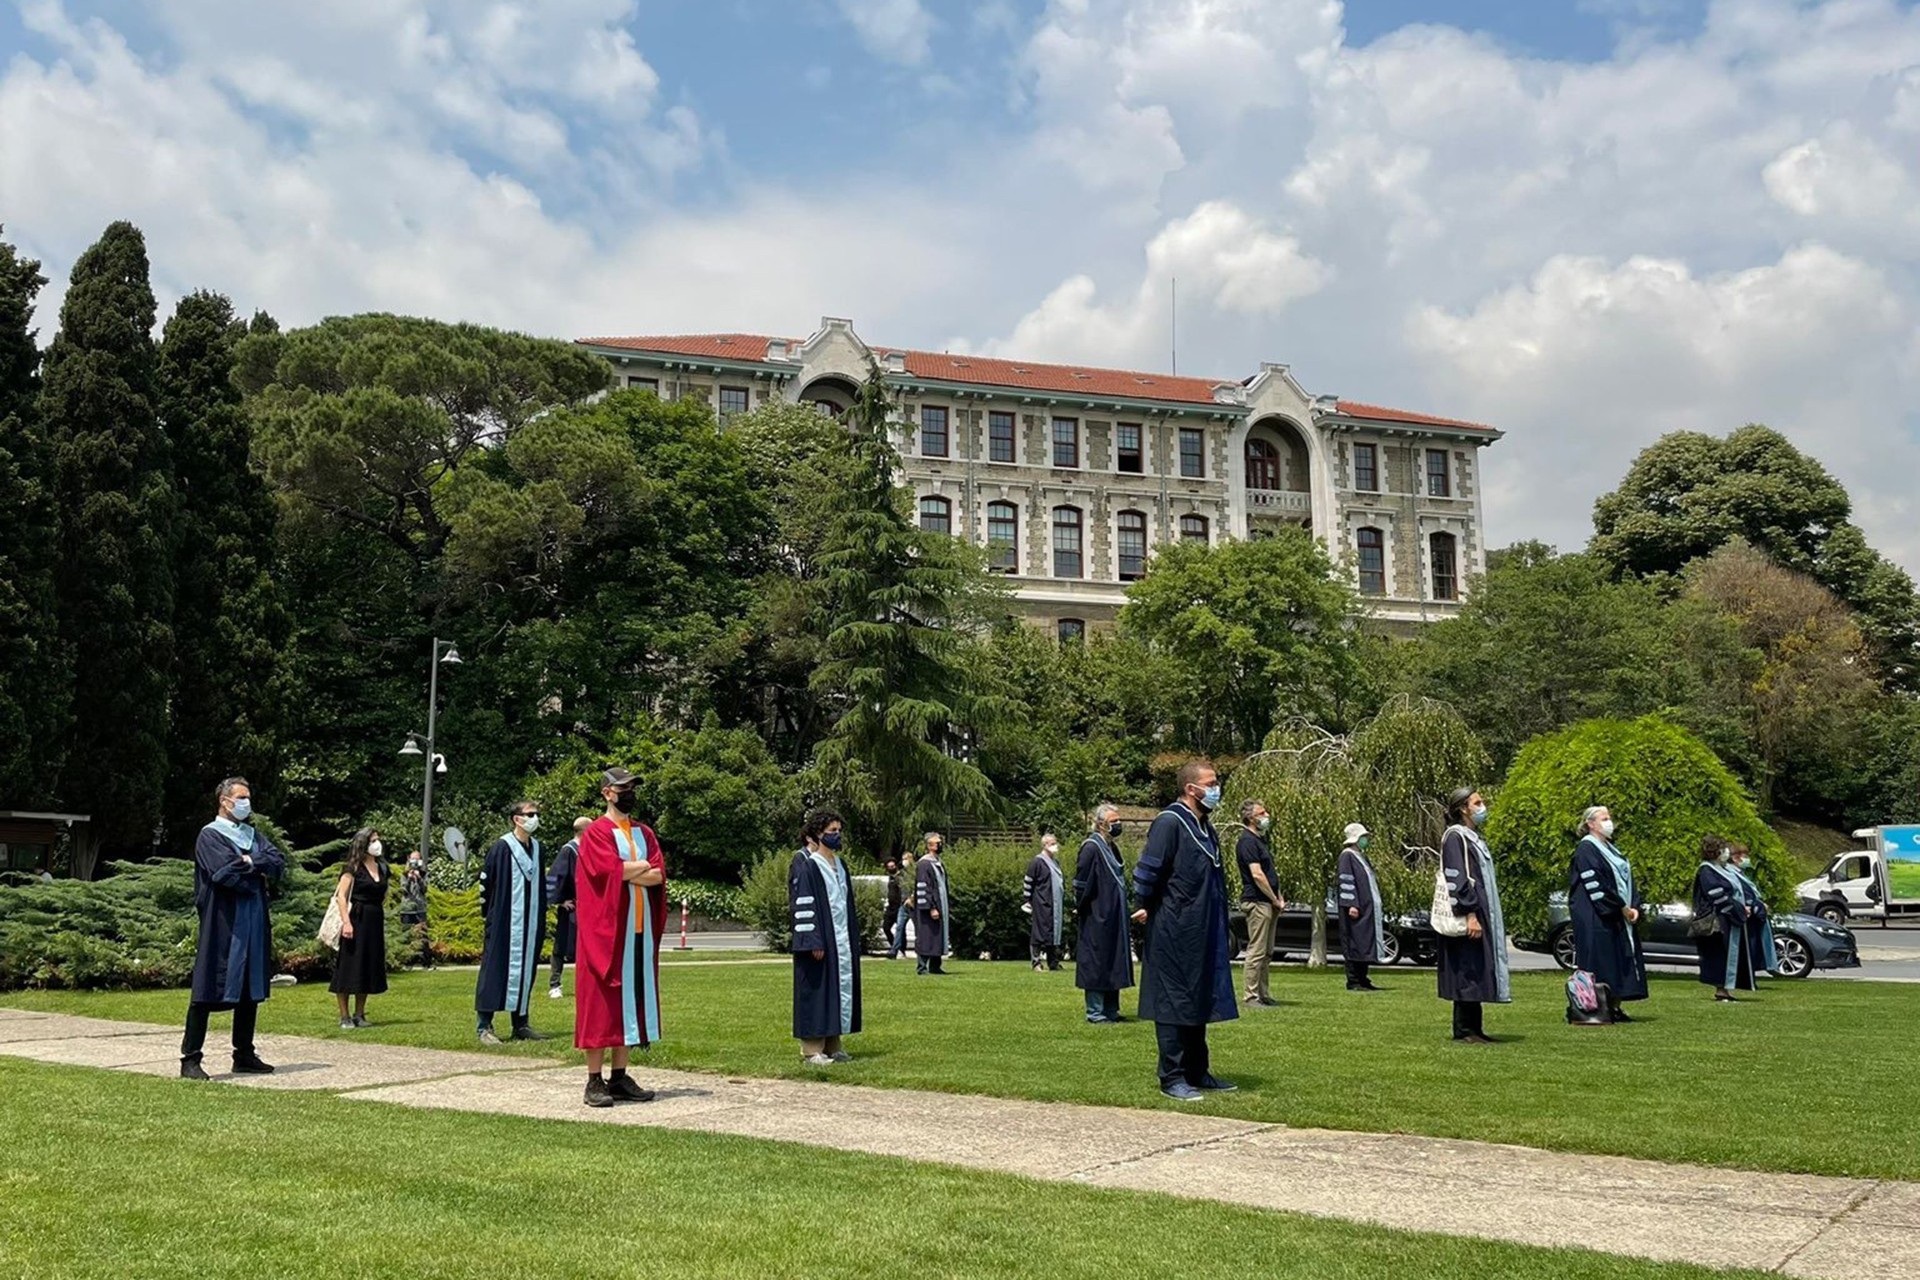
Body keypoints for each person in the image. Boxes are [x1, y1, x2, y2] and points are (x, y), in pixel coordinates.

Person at [1135, 760, 1238, 1101]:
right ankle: (1172, 1077)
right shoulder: (1170, 822)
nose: (1215, 787)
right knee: (1172, 1002)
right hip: (1173, 927)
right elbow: (1150, 869)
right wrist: (1143, 903)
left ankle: (1198, 1071)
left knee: (1198, 999)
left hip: (1201, 928)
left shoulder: (1205, 826)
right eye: (1211, 782)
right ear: (1191, 788)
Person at [180, 777, 286, 1080]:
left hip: (253, 918)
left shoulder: (252, 834)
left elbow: (278, 863)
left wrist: (249, 860)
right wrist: (256, 868)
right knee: (208, 984)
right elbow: (223, 873)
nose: (245, 803)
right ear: (224, 801)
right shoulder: (209, 836)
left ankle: (244, 1054)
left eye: (248, 797)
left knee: (250, 987)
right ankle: (190, 1059)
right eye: (240, 797)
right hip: (223, 919)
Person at [574, 767, 667, 1107]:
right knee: (601, 1006)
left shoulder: (645, 833)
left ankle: (620, 1076)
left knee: (628, 1005)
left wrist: (630, 871)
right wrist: (636, 869)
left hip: (637, 934)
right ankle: (593, 1080)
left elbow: (658, 875)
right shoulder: (597, 833)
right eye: (622, 787)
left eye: (632, 787)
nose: (629, 792)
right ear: (607, 793)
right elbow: (606, 872)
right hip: (607, 935)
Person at [1436, 787, 1510, 1044]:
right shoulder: (1455, 837)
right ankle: (1464, 1030)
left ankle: (1475, 1029)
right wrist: (1469, 914)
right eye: (1477, 802)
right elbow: (1457, 877)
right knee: (1466, 969)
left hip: (1481, 913)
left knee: (1476, 969)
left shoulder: (1473, 836)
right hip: (1469, 915)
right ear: (1462, 809)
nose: (1482, 806)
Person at [791, 809, 862, 1064]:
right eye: (832, 831)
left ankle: (833, 1045)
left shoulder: (840, 865)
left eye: (839, 831)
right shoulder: (809, 866)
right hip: (820, 941)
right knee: (818, 990)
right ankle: (812, 1049)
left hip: (840, 939)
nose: (837, 835)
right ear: (818, 834)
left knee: (836, 990)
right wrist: (813, 941)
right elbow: (803, 906)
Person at [475, 801, 548, 1046]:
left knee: (526, 971)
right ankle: (484, 1026)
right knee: (495, 969)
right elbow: (486, 884)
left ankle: (521, 1023)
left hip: (530, 922)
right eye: (530, 814)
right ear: (517, 819)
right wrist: (491, 917)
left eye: (536, 814)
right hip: (504, 921)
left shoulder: (538, 848)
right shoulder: (501, 847)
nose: (534, 818)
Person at [1568, 805, 1648, 1021]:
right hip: (1597, 915)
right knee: (1602, 961)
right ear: (1590, 824)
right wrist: (1621, 907)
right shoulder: (1586, 849)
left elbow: (1626, 881)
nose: (1609, 822)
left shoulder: (1612, 849)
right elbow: (1596, 884)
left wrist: (1634, 906)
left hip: (1618, 915)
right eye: (1604, 818)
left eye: (1609, 818)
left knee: (1618, 959)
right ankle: (1596, 1008)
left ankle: (1615, 1007)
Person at [1074, 804, 1137, 1023]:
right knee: (1097, 961)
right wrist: (1083, 907)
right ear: (1101, 824)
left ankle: (1112, 1009)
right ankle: (1095, 1011)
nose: (1117, 824)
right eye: (1113, 820)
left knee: (1114, 961)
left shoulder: (1112, 847)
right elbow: (1081, 883)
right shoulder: (1091, 848)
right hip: (1096, 915)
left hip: (1115, 916)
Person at [329, 827, 389, 1029]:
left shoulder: (382, 867)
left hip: (374, 919)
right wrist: (347, 922)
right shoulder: (352, 867)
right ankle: (344, 1015)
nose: (377, 844)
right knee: (349, 966)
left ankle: (360, 1013)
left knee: (368, 966)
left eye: (378, 840)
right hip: (356, 918)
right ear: (363, 844)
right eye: (373, 840)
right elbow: (341, 897)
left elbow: (383, 893)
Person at [1693, 836, 1756, 1001]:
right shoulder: (1706, 870)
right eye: (1722, 848)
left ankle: (1727, 990)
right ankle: (1721, 990)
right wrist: (1738, 909)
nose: (1726, 852)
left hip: (1729, 919)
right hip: (1718, 921)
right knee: (1719, 956)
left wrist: (1743, 907)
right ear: (1715, 851)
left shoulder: (1724, 869)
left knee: (1729, 955)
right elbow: (1716, 895)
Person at [1234, 799, 1284, 1007]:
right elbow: (1258, 875)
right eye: (1262, 813)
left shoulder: (1261, 841)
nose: (1267, 816)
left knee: (1267, 951)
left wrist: (1278, 897)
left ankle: (1263, 993)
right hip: (1257, 902)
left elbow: (1270, 874)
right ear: (1251, 818)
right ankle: (1251, 996)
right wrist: (1273, 898)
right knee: (1257, 950)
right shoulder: (1247, 842)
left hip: (1269, 902)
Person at [1336, 822, 1384, 992]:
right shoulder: (1347, 856)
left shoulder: (1360, 856)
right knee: (1355, 942)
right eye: (1363, 837)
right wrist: (1351, 904)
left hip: (1366, 908)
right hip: (1356, 909)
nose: (1366, 840)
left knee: (1364, 942)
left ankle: (1363, 978)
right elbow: (1346, 880)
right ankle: (1354, 980)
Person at [548, 817, 590, 999]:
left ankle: (585, 984)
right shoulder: (569, 850)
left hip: (587, 906)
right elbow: (554, 877)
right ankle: (555, 984)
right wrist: (560, 901)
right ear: (584, 831)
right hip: (571, 907)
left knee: (586, 948)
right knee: (562, 945)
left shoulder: (588, 850)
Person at [1729, 842, 1779, 977]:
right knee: (1747, 950)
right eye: (1745, 855)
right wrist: (1760, 906)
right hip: (1746, 918)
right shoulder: (1732, 874)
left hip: (1751, 918)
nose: (1747, 859)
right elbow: (1744, 896)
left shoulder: (1742, 874)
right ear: (1735, 857)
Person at [1024, 834, 1066, 971]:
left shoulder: (1056, 862)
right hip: (1041, 902)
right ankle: (1036, 962)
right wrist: (1027, 901)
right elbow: (1029, 881)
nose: (1055, 846)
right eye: (1052, 843)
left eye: (1056, 842)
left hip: (1055, 904)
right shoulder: (1037, 862)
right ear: (1044, 845)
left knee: (1053, 934)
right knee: (1039, 932)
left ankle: (1053, 962)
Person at [913, 831, 950, 975]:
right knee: (926, 936)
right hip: (929, 908)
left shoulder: (938, 862)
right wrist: (931, 907)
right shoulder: (924, 864)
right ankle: (922, 967)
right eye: (937, 842)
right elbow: (924, 887)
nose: (940, 844)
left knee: (937, 936)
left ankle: (935, 966)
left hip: (940, 905)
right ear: (930, 846)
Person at [399, 850, 430, 968]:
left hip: (420, 908)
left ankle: (426, 962)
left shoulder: (424, 874)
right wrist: (409, 878)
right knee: (407, 936)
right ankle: (407, 962)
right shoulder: (404, 874)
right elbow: (403, 891)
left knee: (423, 935)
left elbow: (424, 890)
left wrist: (419, 877)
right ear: (408, 859)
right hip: (407, 908)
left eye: (417, 859)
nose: (415, 862)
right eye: (413, 859)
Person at [883, 856, 907, 959]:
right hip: (891, 907)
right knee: (886, 927)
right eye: (889, 867)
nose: (891, 868)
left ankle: (900, 950)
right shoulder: (890, 878)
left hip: (899, 906)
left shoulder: (900, 877)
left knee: (900, 929)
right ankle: (894, 947)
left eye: (893, 866)